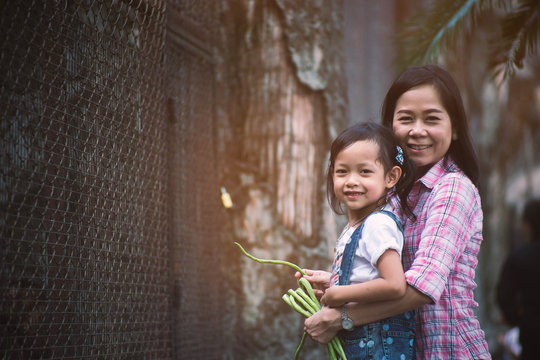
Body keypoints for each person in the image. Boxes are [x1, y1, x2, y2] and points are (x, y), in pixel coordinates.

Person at [297, 65, 491, 359]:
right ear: (391, 127)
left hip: (447, 351)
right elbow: (389, 271)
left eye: (432, 119)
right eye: (405, 119)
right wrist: (341, 280)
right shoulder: (396, 193)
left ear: (454, 131)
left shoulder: (453, 188)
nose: (417, 130)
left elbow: (424, 285)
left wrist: (343, 317)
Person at [318, 122, 416, 359]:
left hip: (378, 347)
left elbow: (394, 285)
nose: (351, 181)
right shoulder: (356, 226)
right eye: (342, 172)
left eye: (364, 172)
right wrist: (330, 281)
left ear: (391, 177)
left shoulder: (377, 224)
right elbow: (365, 276)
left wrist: (338, 294)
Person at [497, 198, 540, 360]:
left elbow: (504, 298)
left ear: (528, 224)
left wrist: (518, 319)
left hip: (532, 340)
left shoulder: (519, 258)